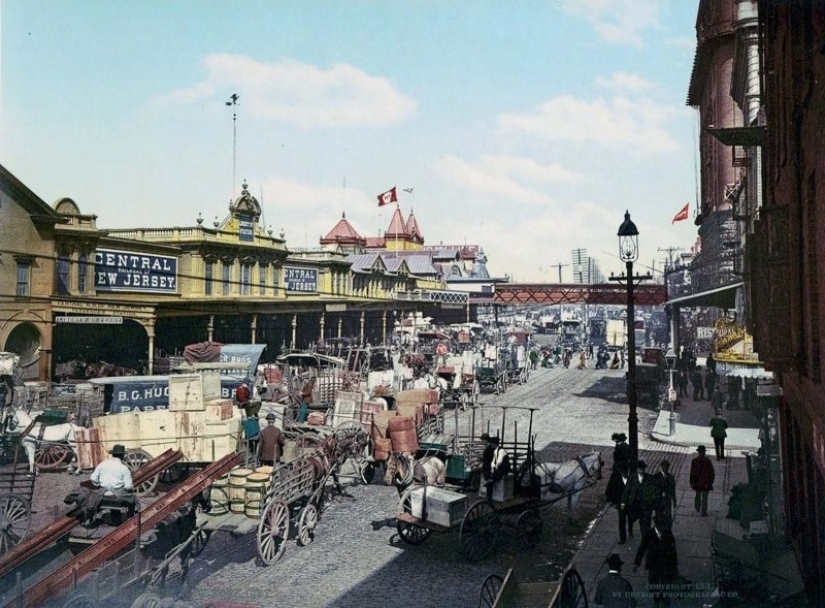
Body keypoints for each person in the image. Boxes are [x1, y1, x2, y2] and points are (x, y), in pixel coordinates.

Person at [633, 514, 678, 608]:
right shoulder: (649, 534)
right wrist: (637, 563)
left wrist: (674, 565)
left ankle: (665, 602)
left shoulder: (668, 533)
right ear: (656, 525)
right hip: (654, 565)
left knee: (666, 586)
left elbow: (673, 550)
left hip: (666, 565)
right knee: (654, 585)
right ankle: (657, 601)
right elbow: (642, 548)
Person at [90, 444, 137, 515]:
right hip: (117, 496)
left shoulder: (103, 464)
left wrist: (98, 485)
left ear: (113, 454)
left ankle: (115, 518)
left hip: (102, 493)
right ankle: (131, 516)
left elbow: (93, 478)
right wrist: (131, 487)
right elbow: (128, 487)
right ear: (122, 456)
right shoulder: (124, 468)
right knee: (134, 499)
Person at [622, 460, 654, 537]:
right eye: (639, 469)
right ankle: (630, 530)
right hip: (634, 503)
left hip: (644, 504)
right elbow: (627, 490)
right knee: (631, 519)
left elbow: (653, 490)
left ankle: (645, 537)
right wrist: (623, 502)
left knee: (644, 522)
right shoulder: (632, 478)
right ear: (637, 469)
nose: (641, 470)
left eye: (642, 469)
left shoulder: (649, 478)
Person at [605, 462, 630, 544]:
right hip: (621, 505)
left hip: (630, 504)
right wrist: (616, 503)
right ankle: (623, 538)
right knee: (621, 521)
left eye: (626, 473)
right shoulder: (617, 480)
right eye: (624, 473)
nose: (625, 474)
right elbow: (615, 492)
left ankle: (630, 530)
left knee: (631, 519)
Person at [483, 435, 510, 503]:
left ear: (495, 444)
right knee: (487, 472)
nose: (491, 445)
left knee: (493, 476)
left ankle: (489, 497)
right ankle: (489, 481)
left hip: (503, 467)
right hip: (495, 466)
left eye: (492, 443)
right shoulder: (491, 449)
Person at [689, 445, 715, 516]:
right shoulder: (708, 461)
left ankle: (697, 506)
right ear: (704, 452)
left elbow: (692, 472)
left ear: (698, 452)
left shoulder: (694, 461)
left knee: (698, 495)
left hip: (697, 482)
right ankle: (703, 512)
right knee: (705, 498)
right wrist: (711, 481)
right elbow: (712, 472)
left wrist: (691, 481)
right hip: (706, 482)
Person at [652, 459, 677, 527]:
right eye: (663, 467)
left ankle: (667, 529)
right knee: (658, 515)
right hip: (658, 500)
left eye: (666, 467)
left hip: (667, 499)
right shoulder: (656, 476)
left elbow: (673, 490)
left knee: (668, 516)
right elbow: (653, 489)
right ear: (661, 467)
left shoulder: (670, 477)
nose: (665, 469)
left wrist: (674, 500)